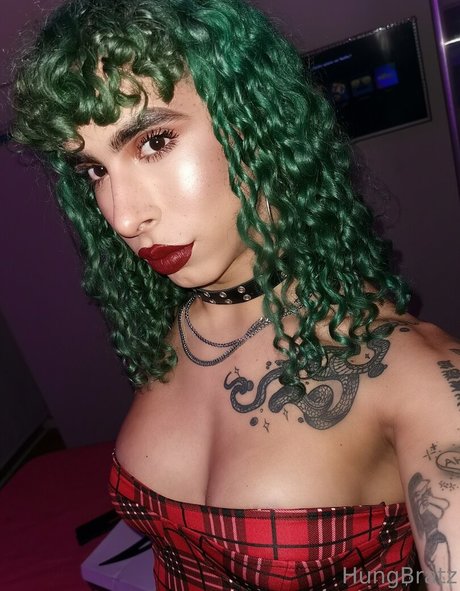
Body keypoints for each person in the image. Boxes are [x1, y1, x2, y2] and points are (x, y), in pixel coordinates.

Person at [13, 0, 459, 588]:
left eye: (154, 142)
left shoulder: (416, 376)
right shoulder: (170, 331)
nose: (123, 217)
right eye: (94, 171)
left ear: (257, 122)